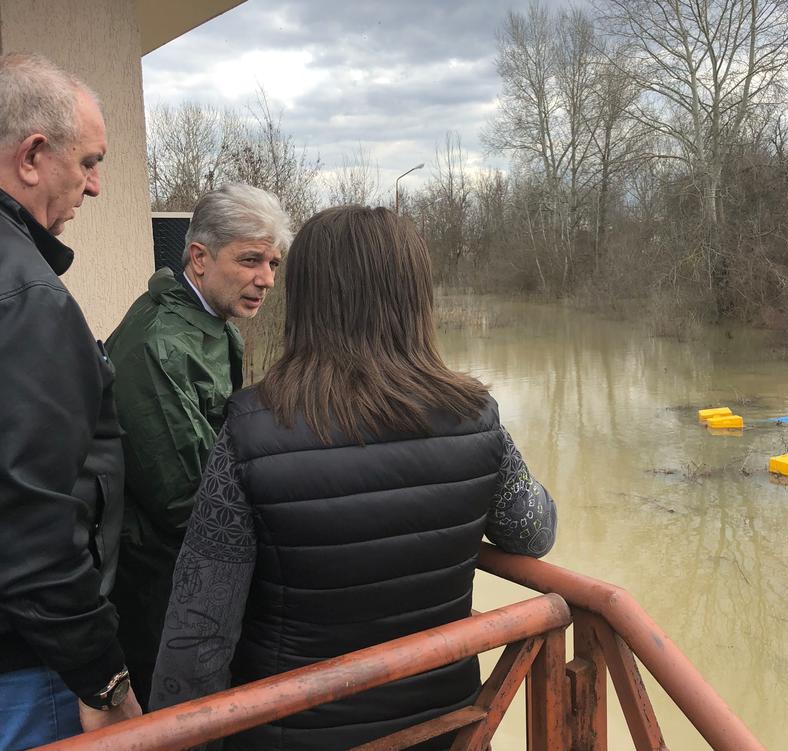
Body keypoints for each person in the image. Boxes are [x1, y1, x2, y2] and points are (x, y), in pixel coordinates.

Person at [150, 205, 557, 750]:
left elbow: (198, 634)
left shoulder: (252, 431)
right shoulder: (475, 416)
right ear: (415, 297)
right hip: (444, 729)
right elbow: (534, 533)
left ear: (308, 299)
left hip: (290, 734)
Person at [0, 53, 141, 749]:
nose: (96, 187)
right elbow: (33, 531)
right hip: (24, 670)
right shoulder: (28, 297)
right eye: (88, 162)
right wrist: (103, 680)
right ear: (32, 156)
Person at [106, 183, 292, 707]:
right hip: (163, 590)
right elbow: (185, 500)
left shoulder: (213, 322)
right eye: (251, 260)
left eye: (273, 263)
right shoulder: (160, 346)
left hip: (196, 577)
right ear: (199, 257)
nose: (266, 279)